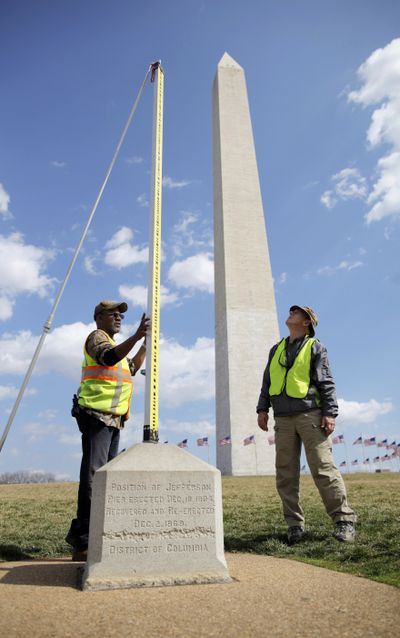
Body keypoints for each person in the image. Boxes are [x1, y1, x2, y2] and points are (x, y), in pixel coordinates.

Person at [257, 305, 356, 545]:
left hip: (310, 415)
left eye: (297, 312)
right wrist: (262, 408)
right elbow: (267, 380)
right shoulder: (276, 349)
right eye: (291, 311)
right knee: (285, 474)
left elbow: (327, 382)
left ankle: (344, 521)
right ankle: (294, 526)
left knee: (323, 468)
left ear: (306, 323)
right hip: (282, 418)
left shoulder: (315, 347)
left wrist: (330, 413)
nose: (291, 313)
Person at [65, 300, 150, 560]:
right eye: (113, 314)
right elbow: (108, 357)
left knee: (105, 478)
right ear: (99, 317)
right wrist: (136, 336)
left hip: (114, 420)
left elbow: (131, 367)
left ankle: (99, 536)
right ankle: (83, 542)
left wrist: (146, 346)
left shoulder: (116, 346)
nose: (118, 318)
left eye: (120, 315)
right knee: (93, 476)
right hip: (96, 416)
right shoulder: (96, 338)